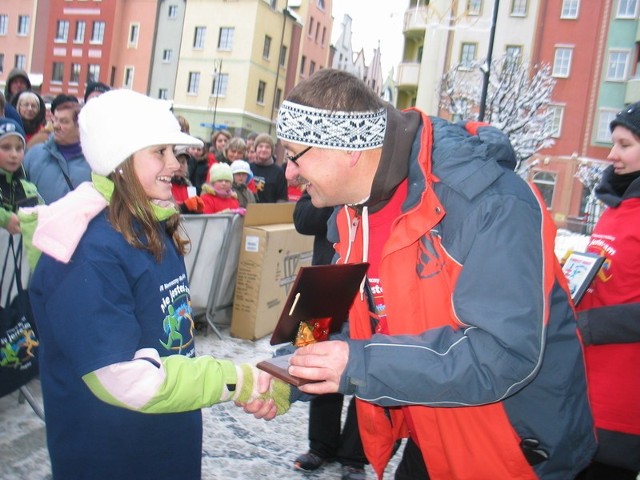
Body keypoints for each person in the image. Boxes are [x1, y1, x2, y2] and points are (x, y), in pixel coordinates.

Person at [247, 69, 596, 479]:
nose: (288, 172)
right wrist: (287, 371)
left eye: (294, 154)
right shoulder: (346, 215)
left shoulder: (492, 202)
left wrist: (357, 364)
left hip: (513, 452)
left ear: (348, 150)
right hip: (429, 436)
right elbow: (324, 321)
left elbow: (504, 354)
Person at [22, 89, 289, 480]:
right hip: (109, 454)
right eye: (159, 152)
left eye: (174, 152)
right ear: (120, 159)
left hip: (165, 441)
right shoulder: (87, 251)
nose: (176, 165)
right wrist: (237, 380)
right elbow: (123, 379)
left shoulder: (152, 223)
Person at [574, 102, 640, 480]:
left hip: (622, 404)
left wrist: (591, 325)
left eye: (625, 144)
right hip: (584, 391)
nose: (612, 154)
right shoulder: (616, 208)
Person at [293, 190, 368, 480]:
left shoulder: (380, 173)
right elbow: (302, 220)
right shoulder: (320, 177)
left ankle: (355, 456)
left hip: (369, 289)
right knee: (316, 362)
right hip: (324, 285)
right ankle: (321, 446)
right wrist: (334, 194)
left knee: (365, 367)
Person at [23, 94, 91, 204]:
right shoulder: (34, 155)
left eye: (63, 121)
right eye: (55, 120)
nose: (55, 126)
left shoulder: (93, 163)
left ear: (80, 127)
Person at [0, 119, 41, 233]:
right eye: (6, 147)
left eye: (19, 148)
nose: (14, 154)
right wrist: (5, 219)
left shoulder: (29, 189)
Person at [250, 133, 288, 203]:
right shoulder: (248, 168)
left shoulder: (278, 172)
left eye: (267, 147)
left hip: (269, 212)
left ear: (272, 151)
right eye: (260, 146)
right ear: (256, 149)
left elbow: (282, 198)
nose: (264, 149)